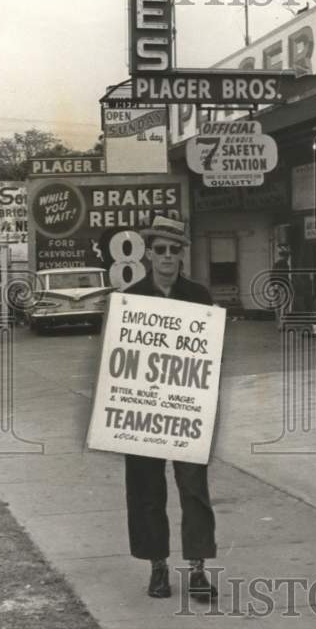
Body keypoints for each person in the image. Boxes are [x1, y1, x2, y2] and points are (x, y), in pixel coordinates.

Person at [122, 215, 219, 601]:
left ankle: (197, 570)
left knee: (194, 490)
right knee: (146, 490)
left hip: (187, 409)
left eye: (173, 250)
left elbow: (212, 353)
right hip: (144, 409)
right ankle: (157, 567)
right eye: (159, 249)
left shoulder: (199, 296)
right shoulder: (130, 298)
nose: (166, 256)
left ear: (181, 255)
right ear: (147, 253)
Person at [271, 245, 292, 329]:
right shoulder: (284, 264)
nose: (288, 257)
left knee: (277, 307)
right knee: (283, 306)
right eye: (288, 256)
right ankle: (281, 325)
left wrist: (273, 285)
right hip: (282, 287)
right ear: (286, 256)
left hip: (276, 287)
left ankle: (279, 324)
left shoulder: (276, 264)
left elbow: (272, 276)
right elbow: (282, 276)